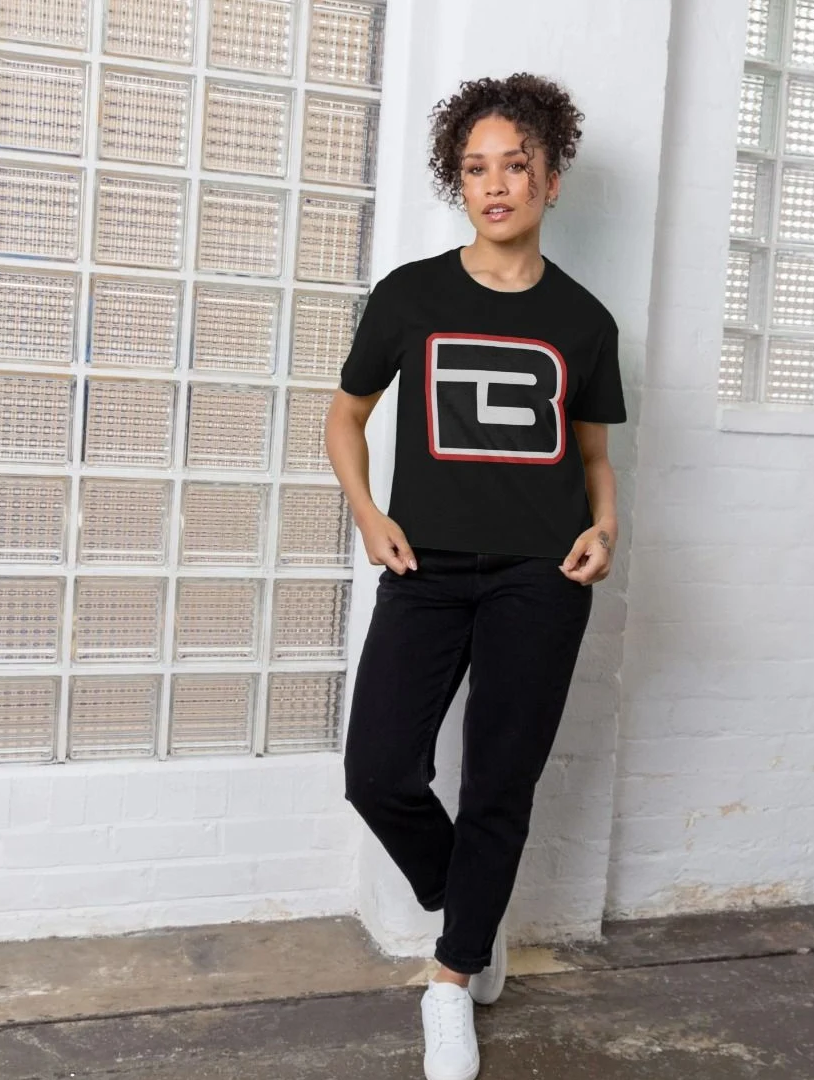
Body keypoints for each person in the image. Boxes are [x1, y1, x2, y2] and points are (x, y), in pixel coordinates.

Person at [325, 73, 627, 1080]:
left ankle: (452, 976)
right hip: (425, 569)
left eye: (514, 166)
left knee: (500, 781)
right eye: (474, 169)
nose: (494, 185)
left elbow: (592, 456)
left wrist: (607, 526)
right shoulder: (410, 296)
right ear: (457, 182)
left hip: (542, 576)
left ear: (551, 178)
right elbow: (344, 418)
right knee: (379, 773)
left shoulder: (584, 321)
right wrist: (369, 514)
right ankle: (472, 909)